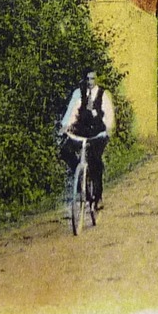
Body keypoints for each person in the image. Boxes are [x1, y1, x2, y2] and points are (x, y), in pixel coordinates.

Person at [57, 71, 115, 210]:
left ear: (97, 79)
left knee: (95, 159)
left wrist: (108, 129)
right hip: (81, 131)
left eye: (93, 79)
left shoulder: (103, 94)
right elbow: (72, 111)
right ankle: (80, 178)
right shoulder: (79, 93)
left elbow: (108, 115)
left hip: (97, 133)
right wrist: (65, 126)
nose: (90, 82)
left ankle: (98, 196)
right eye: (87, 79)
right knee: (65, 151)